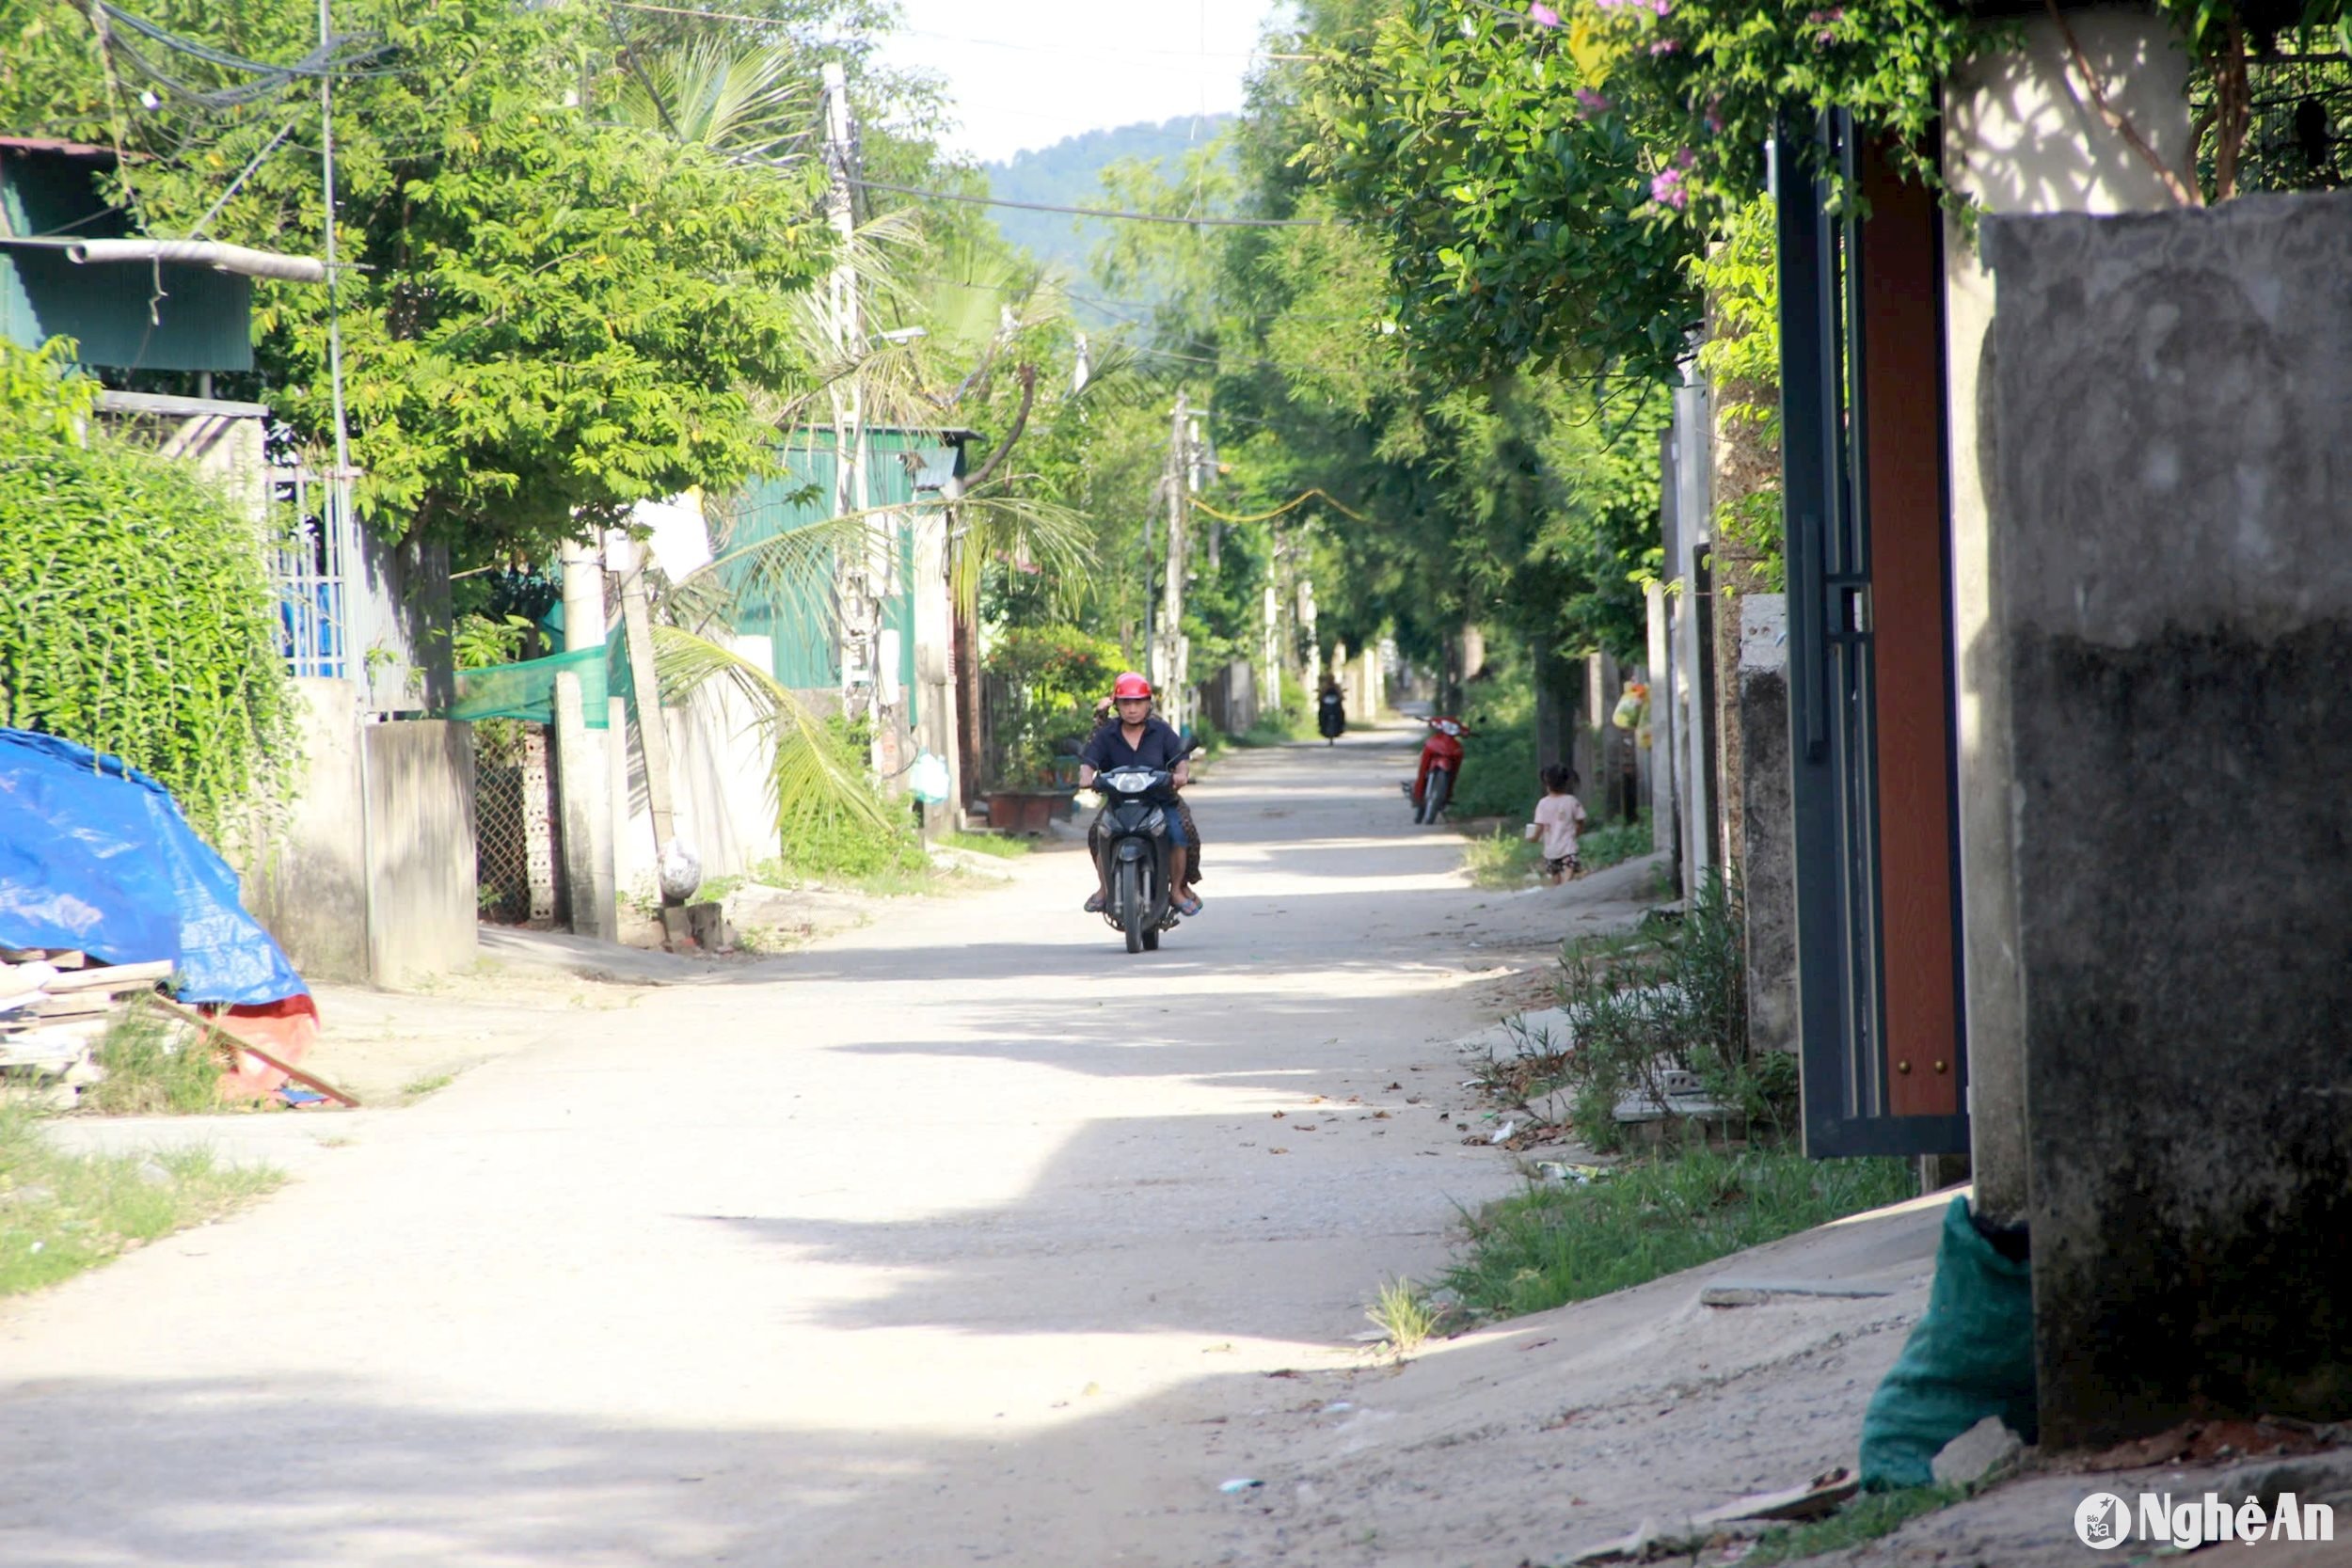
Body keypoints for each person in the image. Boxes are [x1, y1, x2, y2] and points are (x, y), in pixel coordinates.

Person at [1078, 673, 1200, 916]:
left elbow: (1180, 758)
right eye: (1126, 703)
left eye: (1138, 702)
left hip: (1161, 800)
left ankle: (1176, 889)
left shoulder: (1161, 731)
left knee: (1179, 832)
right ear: (1117, 706)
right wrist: (1085, 777)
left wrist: (1180, 774)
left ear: (1148, 703)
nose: (1132, 709)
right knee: (1097, 833)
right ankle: (1104, 889)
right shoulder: (1107, 734)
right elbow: (1089, 760)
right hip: (1119, 803)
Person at [1525, 764, 1588, 886]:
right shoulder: (1571, 801)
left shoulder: (1543, 803)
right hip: (1568, 848)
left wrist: (1533, 838)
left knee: (1556, 880)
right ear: (1566, 782)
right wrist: (1576, 833)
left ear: (1547, 784)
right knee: (1567, 876)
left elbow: (1539, 827)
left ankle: (1561, 893)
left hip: (1550, 850)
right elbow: (1581, 821)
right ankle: (1565, 889)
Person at [1316, 675, 1345, 744]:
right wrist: (1319, 698)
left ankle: (1341, 726)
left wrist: (1341, 697)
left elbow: (1340, 694)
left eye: (1331, 679)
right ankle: (1321, 726)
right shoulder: (1324, 686)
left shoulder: (1336, 686)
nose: (1330, 680)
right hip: (1326, 705)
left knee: (1341, 713)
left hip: (1335, 705)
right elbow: (1321, 695)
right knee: (1321, 713)